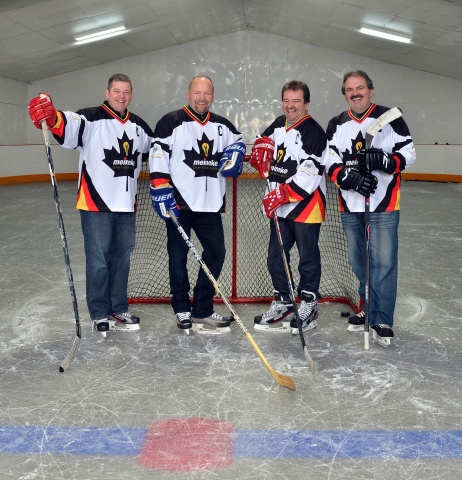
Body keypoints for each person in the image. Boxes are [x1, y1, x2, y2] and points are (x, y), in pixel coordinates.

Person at [28, 74, 153, 336]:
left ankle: (118, 307)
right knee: (97, 262)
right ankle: (98, 313)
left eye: (126, 91)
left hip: (127, 206)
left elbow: (158, 149)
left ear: (131, 94)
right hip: (95, 205)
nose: (121, 96)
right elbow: (65, 124)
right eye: (116, 91)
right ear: (107, 92)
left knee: (122, 259)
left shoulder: (139, 126)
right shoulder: (90, 119)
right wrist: (50, 116)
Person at [326, 70, 416, 346]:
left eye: (360, 88)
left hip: (384, 206)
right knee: (359, 261)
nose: (355, 93)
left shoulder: (390, 118)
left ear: (371, 90)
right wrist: (345, 176)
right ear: (345, 94)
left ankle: (381, 319)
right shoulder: (337, 123)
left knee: (384, 264)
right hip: (350, 206)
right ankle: (366, 306)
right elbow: (329, 158)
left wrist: (387, 162)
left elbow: (409, 153)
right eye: (350, 89)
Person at [149, 75, 246, 333]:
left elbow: (238, 141)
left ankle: (201, 308)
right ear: (188, 94)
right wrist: (160, 185)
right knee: (177, 257)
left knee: (216, 253)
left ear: (212, 96)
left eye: (207, 93)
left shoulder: (223, 126)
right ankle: (181, 306)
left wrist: (238, 152)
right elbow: (158, 152)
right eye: (197, 93)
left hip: (210, 205)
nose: (201, 98)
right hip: (178, 204)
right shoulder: (170, 121)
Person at [249, 80, 329, 335]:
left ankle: (308, 304)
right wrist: (259, 149)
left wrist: (281, 194)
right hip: (281, 207)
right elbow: (263, 144)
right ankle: (284, 303)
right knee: (276, 257)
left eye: (296, 101)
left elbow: (309, 175)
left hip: (306, 205)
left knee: (307, 258)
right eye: (286, 100)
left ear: (306, 103)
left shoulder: (314, 132)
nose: (290, 106)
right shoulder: (277, 124)